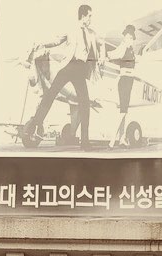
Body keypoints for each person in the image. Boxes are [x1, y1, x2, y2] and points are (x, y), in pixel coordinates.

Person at [21, 4, 102, 149]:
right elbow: (56, 41)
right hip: (69, 66)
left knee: (85, 103)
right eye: (89, 16)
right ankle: (35, 124)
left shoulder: (91, 33)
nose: (91, 19)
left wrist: (101, 57)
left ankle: (85, 142)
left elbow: (101, 44)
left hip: (80, 70)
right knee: (50, 94)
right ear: (83, 16)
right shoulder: (71, 29)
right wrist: (41, 44)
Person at [109, 24, 137, 148]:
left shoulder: (130, 49)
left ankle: (121, 139)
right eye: (128, 36)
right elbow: (114, 54)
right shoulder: (124, 46)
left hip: (129, 80)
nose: (130, 39)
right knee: (123, 111)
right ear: (125, 36)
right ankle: (112, 140)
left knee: (124, 111)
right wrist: (105, 55)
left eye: (131, 37)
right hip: (125, 79)